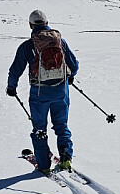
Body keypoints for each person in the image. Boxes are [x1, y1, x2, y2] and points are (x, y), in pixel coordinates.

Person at [7, 10, 79, 174]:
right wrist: (70, 77)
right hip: (61, 90)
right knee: (61, 126)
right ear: (47, 22)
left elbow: (15, 70)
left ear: (30, 25)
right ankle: (66, 158)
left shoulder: (27, 46)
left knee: (39, 129)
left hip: (39, 93)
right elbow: (74, 65)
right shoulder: (60, 42)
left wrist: (11, 87)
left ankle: (44, 164)